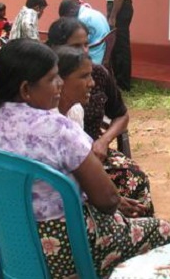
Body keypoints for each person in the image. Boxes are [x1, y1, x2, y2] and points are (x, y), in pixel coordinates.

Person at [0, 39, 170, 277]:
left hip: (11, 249)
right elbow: (107, 199)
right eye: (52, 79)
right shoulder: (58, 128)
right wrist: (114, 206)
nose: (60, 84)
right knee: (164, 231)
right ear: (26, 89)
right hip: (65, 253)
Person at [46, 17, 155, 216]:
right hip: (67, 165)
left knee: (135, 177)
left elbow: (121, 115)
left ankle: (135, 224)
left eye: (86, 44)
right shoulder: (45, 90)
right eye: (75, 46)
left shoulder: (97, 74)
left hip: (95, 151)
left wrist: (104, 141)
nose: (84, 51)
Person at [58, 0, 110, 65]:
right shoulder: (92, 12)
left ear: (71, 11)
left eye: (67, 18)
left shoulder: (82, 19)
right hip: (103, 50)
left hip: (94, 54)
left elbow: (77, 41)